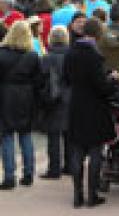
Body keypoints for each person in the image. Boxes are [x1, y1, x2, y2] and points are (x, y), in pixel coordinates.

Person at [65, 17, 119, 207]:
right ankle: (92, 194)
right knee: (96, 150)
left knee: (77, 151)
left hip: (76, 105)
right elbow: (101, 87)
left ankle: (77, 195)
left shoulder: (71, 52)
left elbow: (66, 78)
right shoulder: (94, 55)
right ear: (98, 33)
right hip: (94, 107)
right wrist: (112, 79)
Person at [0, 21, 42, 190]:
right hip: (26, 96)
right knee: (25, 135)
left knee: (7, 136)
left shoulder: (1, 54)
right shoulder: (32, 55)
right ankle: (28, 174)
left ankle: (9, 176)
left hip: (5, 95)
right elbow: (39, 81)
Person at [40, 26, 71, 179]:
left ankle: (54, 169)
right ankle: (70, 166)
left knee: (53, 136)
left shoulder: (47, 57)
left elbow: (42, 80)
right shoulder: (71, 55)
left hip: (53, 98)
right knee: (68, 134)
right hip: (70, 98)